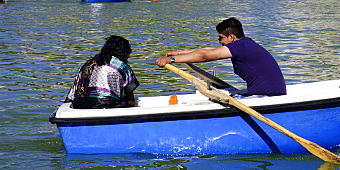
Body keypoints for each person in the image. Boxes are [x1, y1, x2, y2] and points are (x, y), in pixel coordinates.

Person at [156, 18, 286, 97]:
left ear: (231, 37)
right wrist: (178, 53)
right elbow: (208, 50)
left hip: (268, 95)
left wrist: (172, 60)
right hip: (267, 92)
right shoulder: (244, 44)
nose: (219, 41)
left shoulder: (240, 46)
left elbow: (205, 56)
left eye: (221, 38)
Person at [65, 35, 138, 109]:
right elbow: (130, 101)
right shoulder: (122, 66)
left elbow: (72, 94)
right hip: (105, 105)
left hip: (79, 104)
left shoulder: (88, 64)